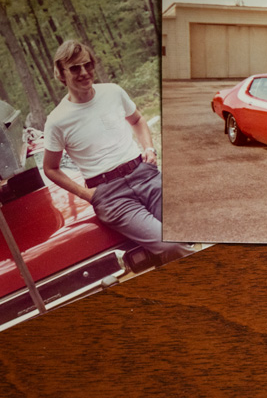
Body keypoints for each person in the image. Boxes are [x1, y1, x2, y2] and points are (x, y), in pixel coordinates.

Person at [42, 40, 189, 263]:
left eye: (88, 65)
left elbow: (137, 120)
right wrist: (86, 195)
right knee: (170, 243)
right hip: (111, 196)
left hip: (145, 175)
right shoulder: (57, 121)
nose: (84, 72)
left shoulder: (113, 92)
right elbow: (50, 168)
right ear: (61, 74)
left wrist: (149, 149)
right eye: (75, 68)